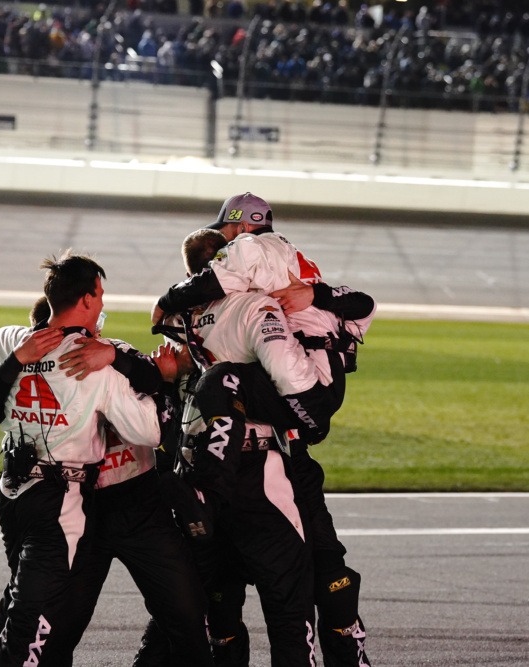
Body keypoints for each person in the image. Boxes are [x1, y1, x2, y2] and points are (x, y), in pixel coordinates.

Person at [154, 197, 376, 667]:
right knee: (313, 580)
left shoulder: (244, 276)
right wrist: (318, 297)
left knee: (231, 589)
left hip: (260, 452)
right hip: (278, 449)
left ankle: (206, 496)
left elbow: (203, 301)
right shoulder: (281, 277)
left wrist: (169, 300)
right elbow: (364, 304)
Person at [0, 251, 175, 667]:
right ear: (87, 299)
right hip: (61, 501)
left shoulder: (10, 340)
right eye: (100, 295)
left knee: (20, 595)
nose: (102, 303)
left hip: (12, 492)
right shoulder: (95, 361)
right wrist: (163, 381)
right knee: (36, 616)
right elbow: (149, 433)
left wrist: (24, 356)